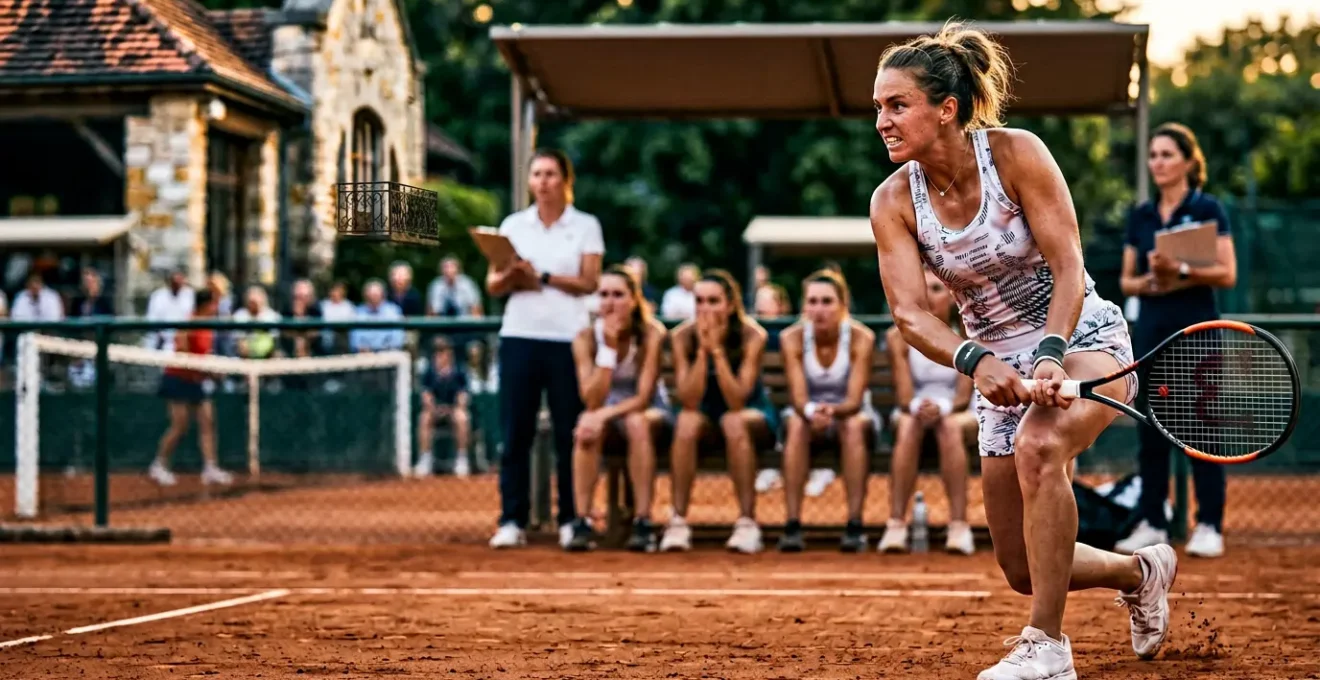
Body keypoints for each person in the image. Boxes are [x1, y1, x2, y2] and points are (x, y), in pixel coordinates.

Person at [868, 23, 1176, 679]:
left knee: (1041, 447)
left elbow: (1069, 266)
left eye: (897, 105)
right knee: (1020, 566)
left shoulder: (1016, 154)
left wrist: (1049, 356)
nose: (882, 122)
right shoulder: (893, 201)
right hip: (998, 368)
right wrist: (978, 363)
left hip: (1082, 339)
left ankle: (1048, 647)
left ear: (945, 109)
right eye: (879, 108)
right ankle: (1139, 571)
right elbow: (909, 313)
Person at [1115, 123, 1237, 559]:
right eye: (1153, 155)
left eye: (1167, 154)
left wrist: (1182, 272)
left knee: (1203, 428)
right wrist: (1153, 279)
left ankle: (1208, 523)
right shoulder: (1142, 215)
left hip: (1199, 333)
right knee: (1152, 430)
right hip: (1151, 334)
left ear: (1188, 161)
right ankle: (1153, 520)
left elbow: (1227, 273)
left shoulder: (1209, 209)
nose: (1158, 162)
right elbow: (1127, 282)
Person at [486, 148, 604, 550]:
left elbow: (590, 282)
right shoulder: (513, 225)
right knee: (514, 431)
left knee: (567, 432)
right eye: (536, 174)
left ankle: (572, 518)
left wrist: (544, 275)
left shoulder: (586, 226)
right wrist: (512, 275)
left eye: (551, 174)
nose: (543, 181)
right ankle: (511, 519)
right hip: (519, 335)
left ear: (565, 180)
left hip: (568, 340)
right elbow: (492, 284)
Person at [663, 269, 776, 554]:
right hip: (703, 411)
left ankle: (747, 523)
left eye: (713, 301)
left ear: (730, 304)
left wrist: (717, 352)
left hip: (749, 412)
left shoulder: (753, 335)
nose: (705, 308)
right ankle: (677, 522)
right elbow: (688, 400)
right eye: (699, 301)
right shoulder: (682, 337)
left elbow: (738, 399)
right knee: (686, 422)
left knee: (733, 421)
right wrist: (702, 352)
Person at [565, 265, 671, 552]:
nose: (610, 302)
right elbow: (591, 397)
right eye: (604, 295)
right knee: (585, 429)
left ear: (634, 300)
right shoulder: (585, 338)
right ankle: (582, 521)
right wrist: (608, 349)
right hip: (605, 409)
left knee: (636, 423)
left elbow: (643, 397)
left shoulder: (651, 333)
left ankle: (643, 522)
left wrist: (601, 415)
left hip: (647, 411)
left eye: (618, 295)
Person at [775, 269, 877, 553]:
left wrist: (830, 412)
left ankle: (854, 524)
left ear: (843, 305)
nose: (819, 309)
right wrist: (811, 412)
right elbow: (797, 397)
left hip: (850, 413)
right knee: (795, 425)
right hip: (806, 414)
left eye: (827, 301)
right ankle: (793, 524)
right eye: (812, 301)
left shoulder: (861, 338)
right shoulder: (791, 337)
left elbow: (855, 400)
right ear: (804, 306)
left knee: (854, 426)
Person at [880, 269, 976, 556]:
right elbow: (904, 394)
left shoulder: (969, 333)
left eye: (935, 289)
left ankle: (959, 526)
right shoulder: (898, 337)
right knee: (909, 425)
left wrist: (942, 409)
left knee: (949, 426)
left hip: (958, 411)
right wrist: (918, 407)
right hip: (915, 410)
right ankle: (896, 524)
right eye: (922, 289)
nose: (927, 296)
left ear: (950, 296)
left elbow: (963, 395)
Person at [149, 290, 233, 487]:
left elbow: (204, 354)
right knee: (180, 426)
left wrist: (211, 371)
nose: (216, 308)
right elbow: (184, 353)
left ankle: (210, 468)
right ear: (206, 304)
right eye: (214, 303)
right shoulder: (188, 323)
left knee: (207, 422)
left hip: (197, 379)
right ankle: (159, 465)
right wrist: (209, 372)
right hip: (178, 378)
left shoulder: (209, 327)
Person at [415, 337, 472, 478]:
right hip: (434, 410)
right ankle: (425, 458)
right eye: (438, 351)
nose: (441, 355)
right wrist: (435, 409)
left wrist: (452, 408)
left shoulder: (459, 371)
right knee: (424, 417)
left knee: (462, 417)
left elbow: (462, 396)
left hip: (453, 410)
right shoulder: (429, 371)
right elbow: (426, 396)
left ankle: (461, 459)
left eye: (444, 351)